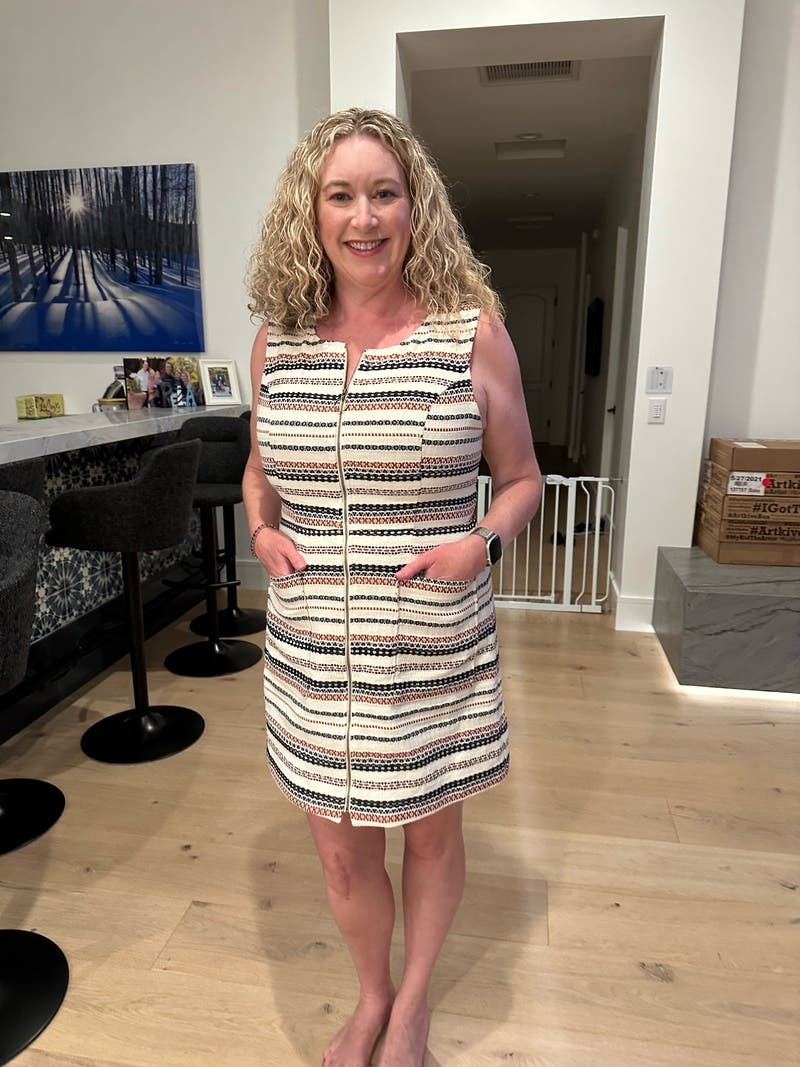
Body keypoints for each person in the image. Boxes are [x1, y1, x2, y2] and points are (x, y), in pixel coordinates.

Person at [242, 108, 542, 1067]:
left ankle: (413, 1006)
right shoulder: (278, 341)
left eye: (384, 193)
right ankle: (371, 995)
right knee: (340, 852)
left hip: (427, 647)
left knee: (432, 835)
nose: (364, 217)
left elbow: (523, 479)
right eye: (341, 196)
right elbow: (260, 467)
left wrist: (481, 544)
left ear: (417, 207)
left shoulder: (470, 334)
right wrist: (260, 527)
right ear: (312, 212)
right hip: (312, 653)